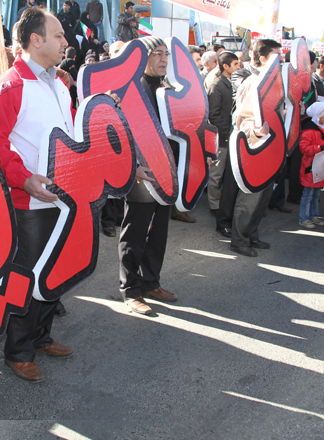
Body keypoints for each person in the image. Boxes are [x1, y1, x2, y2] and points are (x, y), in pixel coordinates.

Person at [0, 7, 74, 383]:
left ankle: (41, 336)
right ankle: (18, 351)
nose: (66, 42)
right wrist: (22, 179)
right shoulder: (8, 86)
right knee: (27, 277)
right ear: (36, 40)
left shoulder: (61, 83)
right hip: (28, 203)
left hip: (64, 198)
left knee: (55, 271)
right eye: (59, 35)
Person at [119, 36, 181, 315]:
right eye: (157, 53)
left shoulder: (168, 89)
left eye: (166, 53)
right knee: (135, 231)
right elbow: (118, 134)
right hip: (141, 174)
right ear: (140, 58)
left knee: (159, 231)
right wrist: (132, 167)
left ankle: (150, 281)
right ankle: (130, 290)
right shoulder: (129, 90)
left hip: (167, 172)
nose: (163, 59)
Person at [216, 38, 281, 257]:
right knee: (249, 197)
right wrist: (257, 132)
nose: (279, 62)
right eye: (275, 57)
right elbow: (241, 118)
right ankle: (239, 240)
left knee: (262, 198)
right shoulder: (253, 82)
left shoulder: (272, 82)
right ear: (263, 58)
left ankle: (251, 234)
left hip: (270, 148)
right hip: (255, 147)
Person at [207, 51, 239, 217]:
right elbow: (213, 114)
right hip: (222, 138)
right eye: (235, 64)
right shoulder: (217, 85)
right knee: (216, 174)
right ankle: (214, 205)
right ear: (225, 66)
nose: (238, 67)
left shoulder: (232, 84)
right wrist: (227, 132)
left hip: (230, 137)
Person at [298, 102, 324, 229]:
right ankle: (304, 218)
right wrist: (319, 147)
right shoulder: (309, 130)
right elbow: (303, 148)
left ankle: (314, 215)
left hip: (320, 167)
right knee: (308, 194)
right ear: (318, 115)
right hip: (310, 167)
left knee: (316, 194)